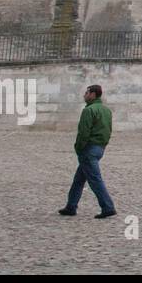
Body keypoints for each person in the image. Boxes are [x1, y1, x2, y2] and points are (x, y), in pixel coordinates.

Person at [57, 84, 116, 219]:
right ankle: (71, 206)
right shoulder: (107, 111)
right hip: (100, 148)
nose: (85, 95)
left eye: (87, 93)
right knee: (79, 179)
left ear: (93, 94)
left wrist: (78, 147)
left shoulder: (88, 111)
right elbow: (108, 130)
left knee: (95, 179)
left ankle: (108, 207)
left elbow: (84, 133)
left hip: (89, 149)